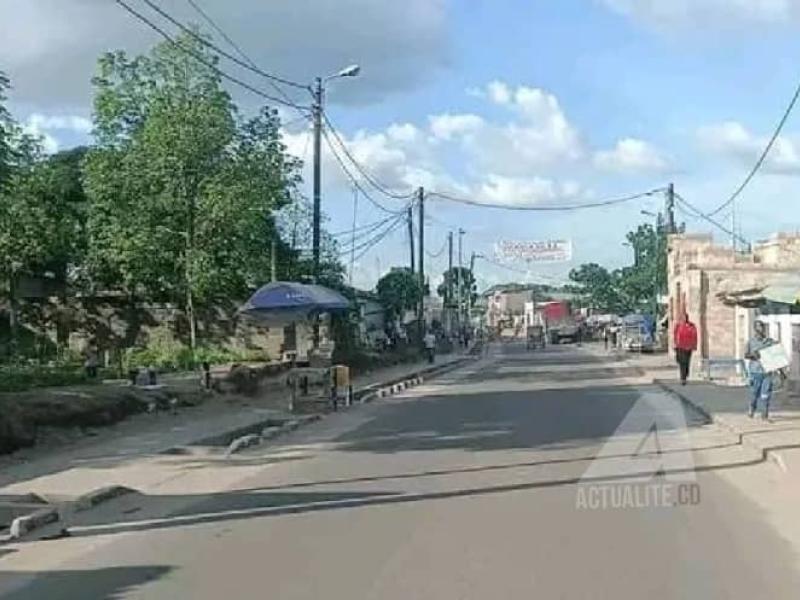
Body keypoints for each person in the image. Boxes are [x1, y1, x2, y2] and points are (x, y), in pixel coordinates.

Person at [745, 320, 774, 420]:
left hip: (767, 371)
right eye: (758, 327)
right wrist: (753, 355)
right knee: (754, 393)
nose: (761, 329)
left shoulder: (769, 342)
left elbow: (777, 356)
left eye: (762, 327)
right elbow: (746, 354)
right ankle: (752, 408)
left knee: (766, 393)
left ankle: (764, 414)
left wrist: (782, 372)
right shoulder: (751, 342)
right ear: (755, 329)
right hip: (755, 371)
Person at [673, 313, 698, 385]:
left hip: (688, 346)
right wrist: (675, 344)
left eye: (685, 317)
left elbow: (694, 335)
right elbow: (675, 335)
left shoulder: (691, 326)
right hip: (680, 346)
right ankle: (683, 378)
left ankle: (686, 373)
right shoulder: (678, 326)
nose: (684, 319)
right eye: (683, 318)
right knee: (682, 362)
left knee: (687, 362)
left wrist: (694, 345)